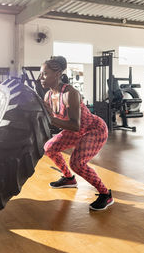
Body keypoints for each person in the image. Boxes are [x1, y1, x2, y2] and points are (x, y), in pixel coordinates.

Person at [40, 56, 114, 211]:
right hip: (75, 131)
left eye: (45, 73)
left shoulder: (70, 93)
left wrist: (51, 118)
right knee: (49, 148)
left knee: (77, 163)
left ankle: (105, 194)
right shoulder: (48, 95)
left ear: (58, 73)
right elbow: (51, 120)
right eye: (41, 73)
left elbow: (75, 125)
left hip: (93, 129)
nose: (41, 77)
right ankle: (68, 179)